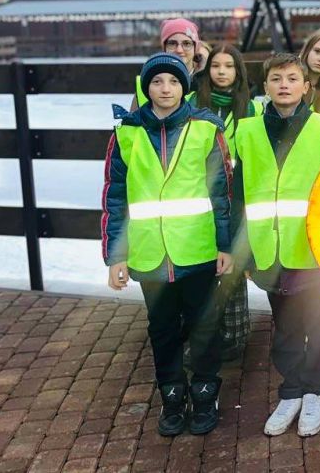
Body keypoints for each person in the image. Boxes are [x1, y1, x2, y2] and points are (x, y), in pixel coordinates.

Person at [102, 52, 232, 436]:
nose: (165, 88)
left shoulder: (206, 129)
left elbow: (222, 191)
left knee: (204, 326)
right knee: (161, 329)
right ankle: (172, 395)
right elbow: (114, 196)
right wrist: (116, 255)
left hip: (197, 250)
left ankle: (206, 392)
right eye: (157, 82)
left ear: (184, 87)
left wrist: (224, 245)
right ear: (146, 88)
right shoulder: (127, 133)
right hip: (148, 252)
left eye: (173, 82)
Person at [232, 54, 320, 438]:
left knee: (318, 323)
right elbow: (239, 194)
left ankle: (316, 391)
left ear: (306, 86)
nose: (284, 85)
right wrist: (239, 248)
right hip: (269, 248)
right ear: (265, 87)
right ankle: (291, 390)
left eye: (293, 78)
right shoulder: (246, 131)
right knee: (286, 326)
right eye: (276, 78)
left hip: (314, 247)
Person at [191, 44, 260, 364]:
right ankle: (203, 334)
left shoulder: (249, 108)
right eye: (216, 65)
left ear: (238, 72)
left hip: (237, 196)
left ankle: (234, 333)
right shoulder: (193, 104)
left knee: (232, 264)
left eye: (229, 66)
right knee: (203, 267)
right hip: (199, 196)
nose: (221, 71)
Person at [133, 19, 202, 109]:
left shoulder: (209, 81)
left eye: (186, 43)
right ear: (164, 47)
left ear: (195, 48)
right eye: (172, 43)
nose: (179, 50)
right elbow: (131, 121)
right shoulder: (146, 81)